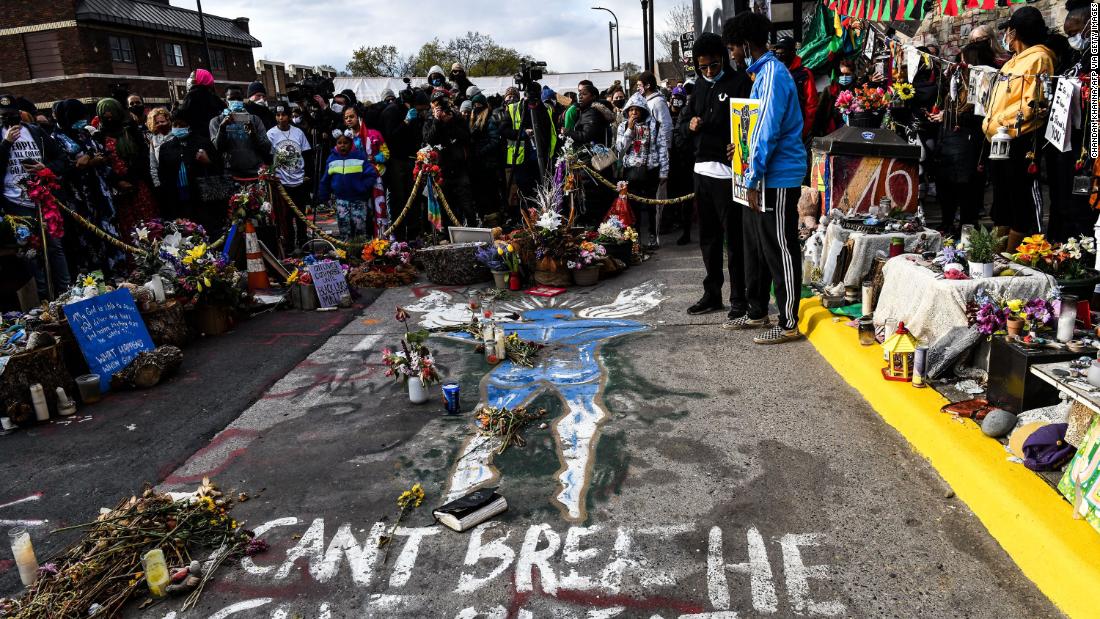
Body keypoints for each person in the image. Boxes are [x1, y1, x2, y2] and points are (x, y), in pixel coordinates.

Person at [724, 11, 807, 344]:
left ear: (745, 43)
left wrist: (752, 173)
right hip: (762, 175)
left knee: (781, 248)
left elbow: (768, 131)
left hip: (777, 177)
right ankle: (760, 312)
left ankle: (788, 322)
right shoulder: (761, 75)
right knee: (760, 247)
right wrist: (739, 153)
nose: (731, 53)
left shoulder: (772, 73)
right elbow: (754, 130)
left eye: (732, 46)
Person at [681, 33, 752, 318]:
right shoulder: (698, 86)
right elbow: (683, 123)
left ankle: (739, 298)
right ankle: (712, 294)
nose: (709, 71)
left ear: (722, 58)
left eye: (713, 65)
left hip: (728, 174)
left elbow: (749, 123)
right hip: (701, 171)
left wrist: (740, 143)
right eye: (703, 67)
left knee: (733, 240)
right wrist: (690, 124)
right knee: (708, 238)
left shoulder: (739, 83)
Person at [982, 6, 1055, 252]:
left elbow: (1035, 102)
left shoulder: (1039, 58)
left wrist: (1001, 122)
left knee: (1019, 197)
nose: (1007, 36)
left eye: (1009, 31)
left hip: (1019, 138)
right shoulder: (1011, 62)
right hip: (998, 139)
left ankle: (1018, 253)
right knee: (1001, 199)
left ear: (1016, 32)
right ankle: (997, 251)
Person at [1, 93, 71, 297]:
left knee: (55, 247)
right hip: (16, 202)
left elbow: (61, 159)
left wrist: (45, 167)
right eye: (4, 116)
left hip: (42, 199)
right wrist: (6, 143)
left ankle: (66, 292)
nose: (9, 119)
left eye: (12, 115)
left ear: (20, 114)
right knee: (30, 253)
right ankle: (43, 297)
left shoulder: (36, 131)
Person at [51, 98, 123, 275]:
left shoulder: (85, 134)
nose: (81, 121)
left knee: (110, 234)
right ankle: (98, 280)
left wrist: (103, 165)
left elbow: (100, 154)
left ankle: (119, 274)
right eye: (76, 118)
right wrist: (84, 164)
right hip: (78, 199)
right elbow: (59, 170)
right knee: (88, 239)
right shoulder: (55, 140)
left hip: (100, 192)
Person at [931, 42, 993, 238]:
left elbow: (981, 114)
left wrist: (950, 115)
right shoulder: (956, 79)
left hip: (968, 144)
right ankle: (947, 224)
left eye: (964, 59)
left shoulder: (985, 79)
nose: (960, 63)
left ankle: (966, 229)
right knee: (946, 188)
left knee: (967, 190)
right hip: (948, 142)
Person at [1044, 0, 1093, 242]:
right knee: (1061, 199)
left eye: (1074, 33)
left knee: (1080, 203)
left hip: (1086, 144)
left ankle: (1081, 253)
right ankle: (1060, 246)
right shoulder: (1073, 57)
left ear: (1090, 27)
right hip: (1063, 141)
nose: (1071, 38)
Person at [95, 97, 157, 237]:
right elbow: (102, 165)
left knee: (149, 226)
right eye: (105, 116)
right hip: (118, 193)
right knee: (129, 231)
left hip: (139, 185)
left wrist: (132, 180)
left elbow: (142, 157)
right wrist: (117, 182)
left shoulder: (131, 130)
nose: (109, 118)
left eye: (112, 114)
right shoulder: (99, 137)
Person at [157, 113, 223, 235]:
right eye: (176, 125)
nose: (178, 127)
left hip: (202, 197)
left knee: (206, 230)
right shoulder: (166, 147)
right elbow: (163, 175)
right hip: (178, 198)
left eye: (182, 125)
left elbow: (219, 167)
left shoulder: (203, 143)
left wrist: (207, 161)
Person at [616, 93, 666, 247]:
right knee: (633, 207)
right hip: (630, 172)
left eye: (637, 110)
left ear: (644, 111)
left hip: (651, 170)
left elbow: (662, 148)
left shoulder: (655, 125)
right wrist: (629, 130)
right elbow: (619, 149)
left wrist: (664, 172)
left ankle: (652, 237)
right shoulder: (622, 126)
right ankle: (635, 238)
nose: (634, 113)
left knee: (651, 206)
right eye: (631, 110)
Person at [423, 91, 476, 224]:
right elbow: (429, 139)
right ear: (431, 105)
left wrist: (450, 122)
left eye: (442, 104)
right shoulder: (429, 119)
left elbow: (466, 137)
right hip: (441, 169)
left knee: (467, 204)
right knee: (446, 206)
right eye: (436, 104)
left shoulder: (456, 117)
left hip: (459, 168)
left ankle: (474, 230)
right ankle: (447, 235)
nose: (439, 107)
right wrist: (436, 121)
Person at [382, 89, 429, 240]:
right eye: (420, 109)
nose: (422, 112)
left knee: (414, 197)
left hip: (412, 159)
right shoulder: (392, 111)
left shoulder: (417, 116)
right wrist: (406, 122)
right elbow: (389, 137)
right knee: (399, 198)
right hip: (396, 161)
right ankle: (399, 234)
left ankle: (414, 233)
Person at [636, 72, 674, 248]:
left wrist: (664, 153)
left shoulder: (658, 102)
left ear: (648, 85)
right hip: (643, 157)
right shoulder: (644, 102)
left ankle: (657, 234)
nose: (638, 88)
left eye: (639, 85)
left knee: (658, 199)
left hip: (657, 156)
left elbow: (666, 127)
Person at [267, 104, 312, 252]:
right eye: (278, 115)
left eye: (284, 115)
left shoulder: (298, 132)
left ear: (289, 115)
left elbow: (306, 154)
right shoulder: (271, 134)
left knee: (301, 215)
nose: (281, 118)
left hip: (299, 180)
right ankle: (289, 244)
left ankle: (303, 241)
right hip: (282, 182)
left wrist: (307, 175)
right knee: (285, 216)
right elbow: (269, 157)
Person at [318, 133, 378, 239]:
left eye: (345, 143)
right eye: (339, 143)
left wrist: (363, 187)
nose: (342, 145)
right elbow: (325, 178)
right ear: (336, 144)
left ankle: (361, 248)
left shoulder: (359, 156)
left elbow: (371, 174)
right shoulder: (332, 159)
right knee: (343, 223)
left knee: (359, 224)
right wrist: (323, 194)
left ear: (351, 144)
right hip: (341, 198)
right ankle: (346, 248)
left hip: (359, 198)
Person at [343, 106, 389, 235]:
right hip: (355, 180)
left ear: (359, 117)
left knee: (377, 208)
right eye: (346, 118)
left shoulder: (374, 134)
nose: (349, 120)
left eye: (351, 117)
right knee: (360, 211)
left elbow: (386, 154)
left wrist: (373, 158)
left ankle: (380, 238)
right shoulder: (345, 139)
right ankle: (362, 241)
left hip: (375, 177)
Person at [210, 87, 272, 180]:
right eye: (231, 99)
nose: (236, 101)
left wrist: (253, 134)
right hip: (231, 175)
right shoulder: (217, 121)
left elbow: (266, 147)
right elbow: (218, 148)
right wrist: (222, 128)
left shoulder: (255, 120)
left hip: (255, 173)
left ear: (243, 100)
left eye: (239, 99)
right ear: (225, 101)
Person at [773, 37, 819, 143]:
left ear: (792, 52)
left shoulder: (804, 73)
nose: (780, 54)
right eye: (778, 52)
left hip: (798, 132)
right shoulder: (774, 73)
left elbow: (811, 104)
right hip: (778, 131)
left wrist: (803, 131)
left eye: (783, 51)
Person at [468, 90, 502, 224]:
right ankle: (484, 217)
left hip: (488, 163)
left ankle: (493, 219)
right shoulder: (472, 120)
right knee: (480, 193)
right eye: (474, 104)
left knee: (490, 192)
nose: (476, 106)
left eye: (478, 104)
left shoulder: (489, 119)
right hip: (477, 164)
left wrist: (481, 151)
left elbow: (495, 141)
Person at [669, 86, 695, 245]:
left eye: (680, 97)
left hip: (687, 162)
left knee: (687, 199)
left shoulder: (687, 114)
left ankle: (686, 230)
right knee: (674, 196)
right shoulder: (666, 114)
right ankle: (676, 222)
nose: (677, 100)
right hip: (674, 162)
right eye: (675, 96)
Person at [177, 69, 224, 140]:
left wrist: (174, 112)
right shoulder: (214, 96)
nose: (190, 79)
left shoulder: (192, 95)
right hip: (214, 134)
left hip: (197, 136)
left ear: (200, 79)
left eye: (192, 77)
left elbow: (181, 113)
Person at [146, 107, 172, 193]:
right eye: (157, 122)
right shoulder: (153, 140)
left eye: (162, 121)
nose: (160, 124)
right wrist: (157, 184)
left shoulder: (175, 135)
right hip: (165, 181)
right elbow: (153, 164)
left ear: (168, 121)